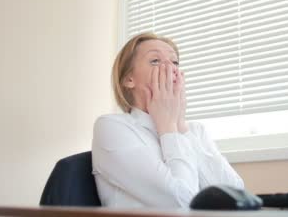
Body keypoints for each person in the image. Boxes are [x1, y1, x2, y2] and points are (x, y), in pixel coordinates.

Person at [92, 32, 244, 208]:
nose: (170, 68)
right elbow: (182, 203)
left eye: (175, 62)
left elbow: (236, 197)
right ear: (128, 79)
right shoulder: (113, 127)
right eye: (155, 61)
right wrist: (168, 128)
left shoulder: (195, 131)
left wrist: (180, 126)